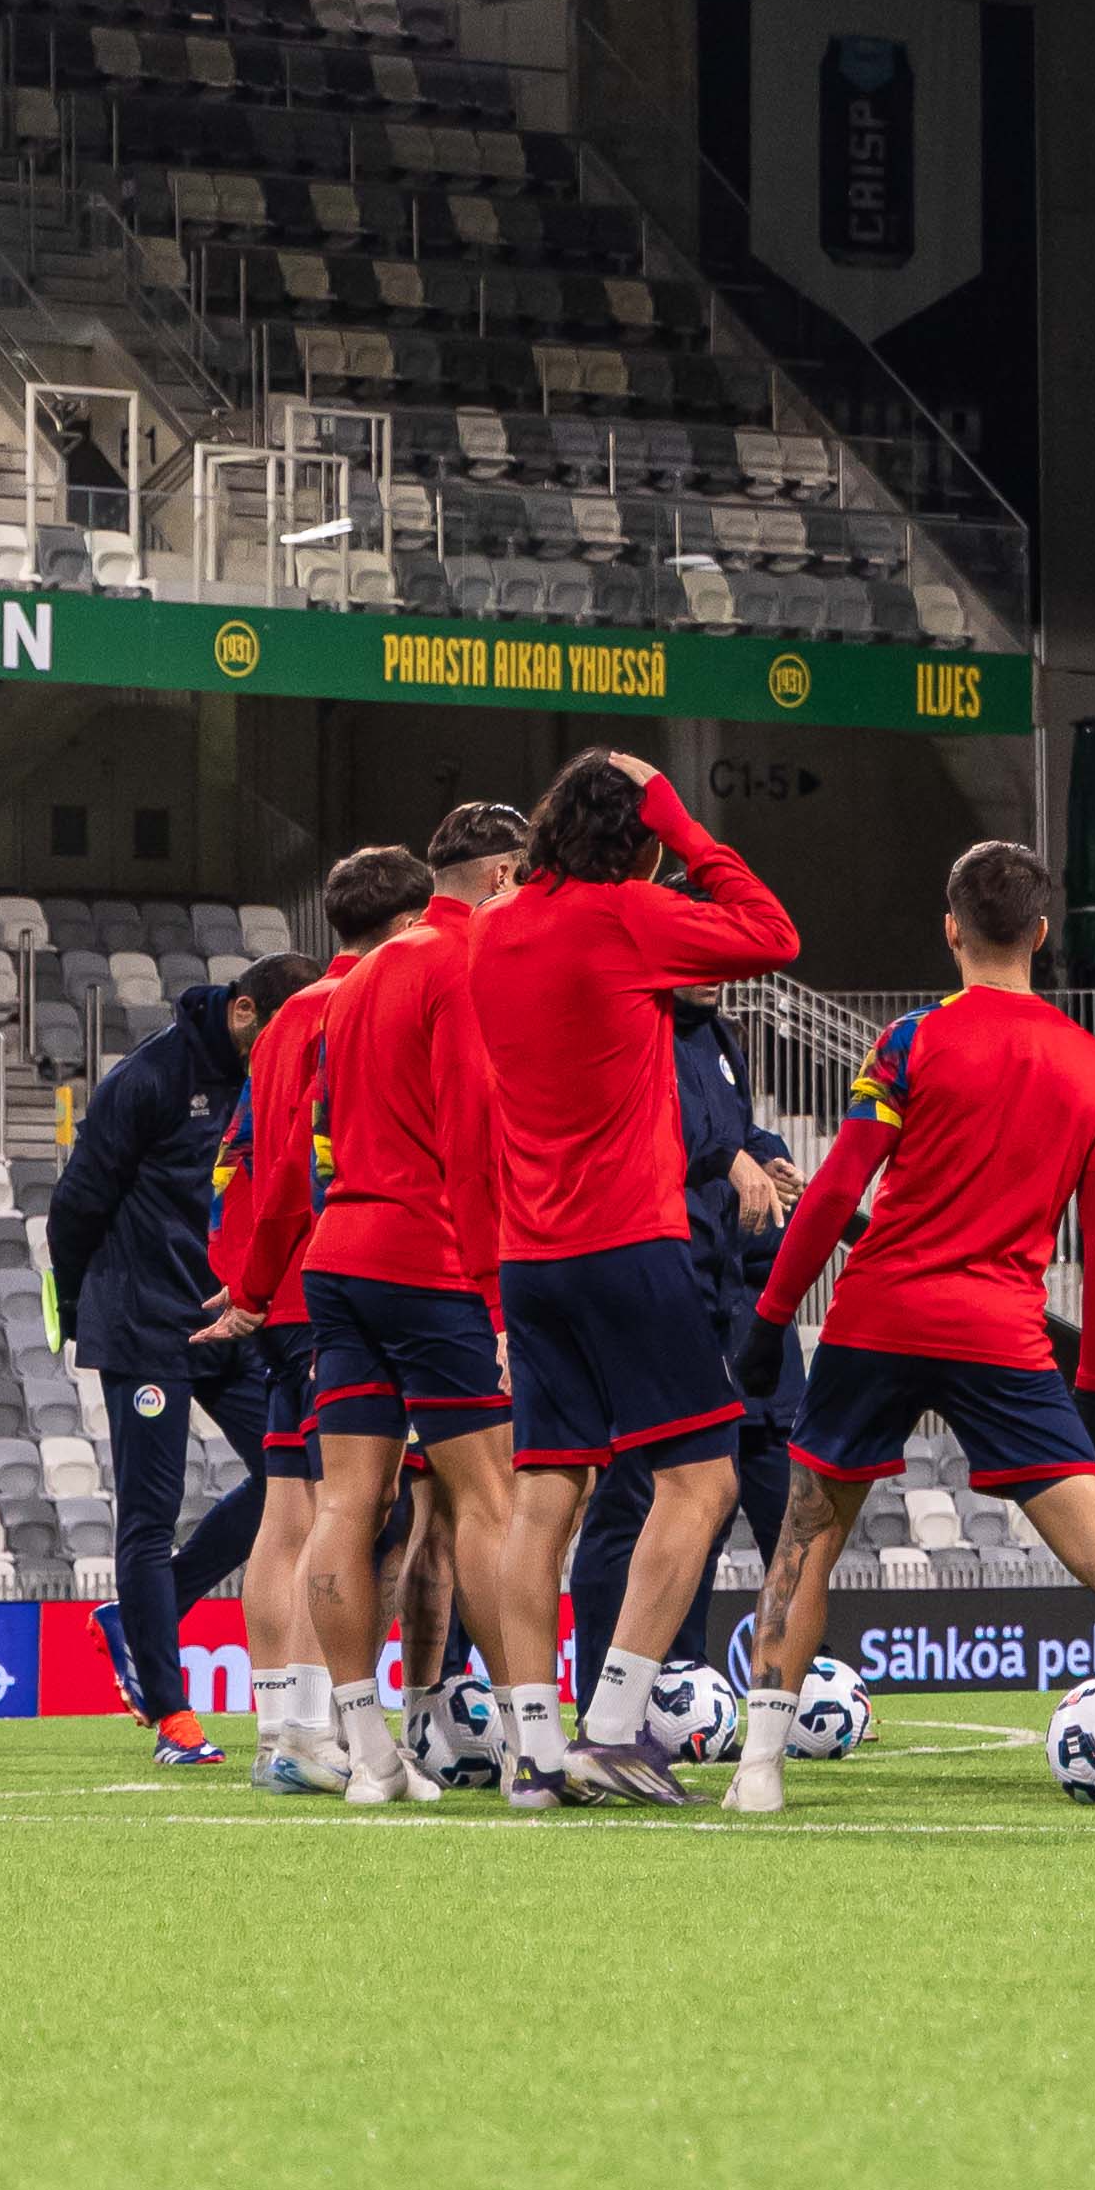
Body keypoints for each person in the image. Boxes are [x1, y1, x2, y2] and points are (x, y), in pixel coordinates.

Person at [732, 839, 1095, 1813]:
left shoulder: (905, 1041)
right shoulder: (1094, 1066)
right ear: (1040, 932)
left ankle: (757, 1772)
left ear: (950, 928)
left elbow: (831, 1193)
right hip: (1003, 1335)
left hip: (878, 1317)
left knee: (805, 1542)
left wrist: (773, 1317)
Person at [465, 751, 800, 1803]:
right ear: (641, 840)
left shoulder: (497, 925)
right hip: (627, 1242)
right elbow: (773, 932)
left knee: (543, 1496)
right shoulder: (627, 918)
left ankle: (532, 1747)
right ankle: (611, 1727)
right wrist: (684, 822)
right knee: (703, 1475)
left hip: (532, 1255)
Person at [286, 846, 521, 1800]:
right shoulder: (454, 962)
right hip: (426, 1254)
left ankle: (367, 1754)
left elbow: (322, 1132)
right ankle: (526, 1741)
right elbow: (470, 1127)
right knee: (486, 1501)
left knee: (348, 1503)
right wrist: (496, 1288)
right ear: (501, 876)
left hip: (339, 1250)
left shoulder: (353, 981)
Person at [52, 946, 313, 1769]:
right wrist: (79, 1309)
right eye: (283, 1032)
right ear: (243, 1013)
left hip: (232, 1317)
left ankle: (142, 1616)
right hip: (145, 1328)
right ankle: (174, 1718)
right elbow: (77, 1204)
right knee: (148, 1513)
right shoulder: (149, 1079)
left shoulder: (272, 1076)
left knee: (292, 1474)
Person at [206, 878, 413, 1789]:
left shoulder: (283, 1028)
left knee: (288, 1514)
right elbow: (311, 1159)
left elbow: (249, 1161)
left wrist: (246, 1278)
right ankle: (311, 1726)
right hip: (344, 1277)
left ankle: (279, 1729)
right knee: (352, 1511)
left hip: (281, 1285)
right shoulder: (366, 1004)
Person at [563, 989, 798, 1692]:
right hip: (650, 1280)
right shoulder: (626, 1025)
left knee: (701, 1498)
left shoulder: (719, 1038)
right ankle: (605, 1687)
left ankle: (680, 1684)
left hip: (718, 1290)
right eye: (700, 958)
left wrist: (767, 1154)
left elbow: (734, 1128)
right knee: (633, 1495)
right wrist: (725, 1155)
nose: (717, 975)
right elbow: (638, 1133)